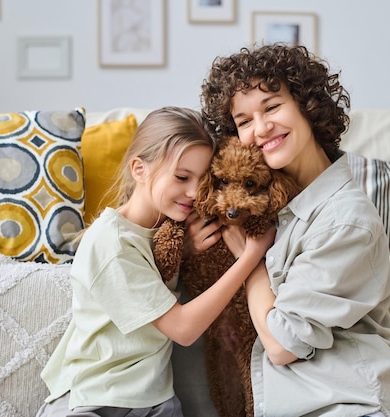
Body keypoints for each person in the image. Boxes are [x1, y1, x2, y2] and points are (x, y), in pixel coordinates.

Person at [199, 44, 390, 417]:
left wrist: (248, 260)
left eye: (272, 106)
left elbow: (282, 344)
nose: (261, 128)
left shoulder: (345, 220)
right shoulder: (269, 206)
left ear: (306, 106)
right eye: (244, 120)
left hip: (348, 406)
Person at [36, 106, 275, 417]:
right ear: (139, 169)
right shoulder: (111, 241)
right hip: (97, 399)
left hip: (154, 402)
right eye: (181, 177)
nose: (193, 191)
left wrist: (185, 254)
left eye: (203, 180)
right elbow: (183, 328)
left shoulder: (167, 233)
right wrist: (251, 256)